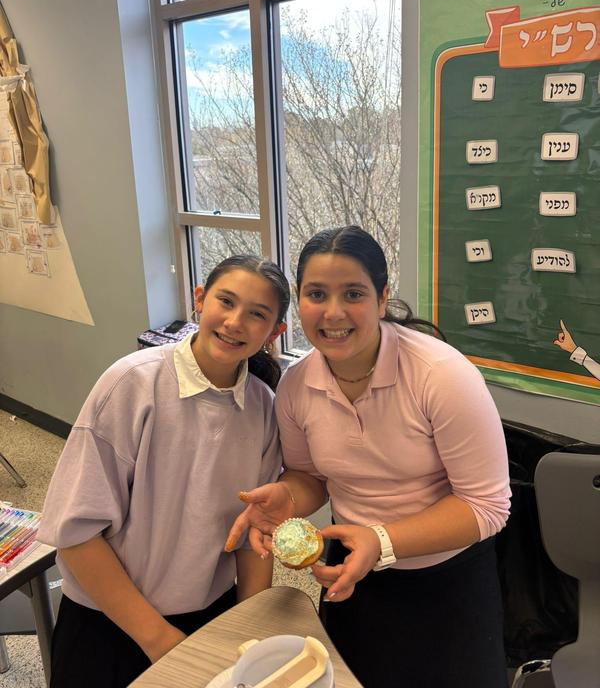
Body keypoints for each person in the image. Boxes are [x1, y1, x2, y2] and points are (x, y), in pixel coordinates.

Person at [226, 226, 511, 688]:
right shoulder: (297, 387)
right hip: (353, 571)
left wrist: (380, 539)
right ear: (299, 302)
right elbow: (310, 475)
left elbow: (487, 507)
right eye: (316, 294)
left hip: (448, 578)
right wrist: (287, 495)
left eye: (353, 293)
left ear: (382, 299)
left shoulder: (442, 376)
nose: (333, 312)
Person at [38, 254, 290, 688]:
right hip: (112, 621)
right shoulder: (131, 384)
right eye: (225, 302)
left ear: (275, 332)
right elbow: (74, 532)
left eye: (257, 315)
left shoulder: (264, 408)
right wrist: (158, 639)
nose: (234, 322)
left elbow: (253, 535)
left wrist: (247, 631)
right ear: (199, 299)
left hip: (207, 616)